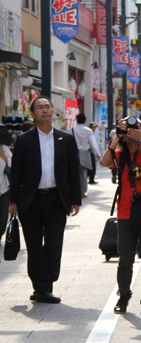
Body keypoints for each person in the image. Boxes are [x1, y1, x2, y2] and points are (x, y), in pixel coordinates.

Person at [9, 95, 81, 304]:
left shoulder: (66, 139)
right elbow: (16, 173)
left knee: (53, 244)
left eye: (48, 107)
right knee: (33, 245)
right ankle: (38, 285)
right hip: (30, 201)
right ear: (33, 113)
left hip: (56, 199)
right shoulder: (23, 140)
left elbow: (72, 172)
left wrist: (75, 199)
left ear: (53, 111)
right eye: (40, 107)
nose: (44, 110)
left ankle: (45, 286)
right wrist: (13, 201)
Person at [100, 117, 141, 318]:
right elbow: (104, 161)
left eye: (133, 129)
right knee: (125, 260)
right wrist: (117, 139)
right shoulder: (120, 154)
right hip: (126, 213)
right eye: (127, 130)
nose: (129, 133)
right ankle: (123, 296)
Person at [72, 113, 102, 198]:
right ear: (85, 121)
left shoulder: (72, 130)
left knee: (74, 174)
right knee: (83, 174)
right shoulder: (88, 130)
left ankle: (74, 192)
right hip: (85, 153)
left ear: (76, 120)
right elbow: (93, 143)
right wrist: (98, 155)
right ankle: (83, 192)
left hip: (74, 154)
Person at [0, 124, 12, 242]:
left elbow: (13, 166)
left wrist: (4, 157)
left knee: (2, 215)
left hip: (3, 187)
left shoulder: (3, 149)